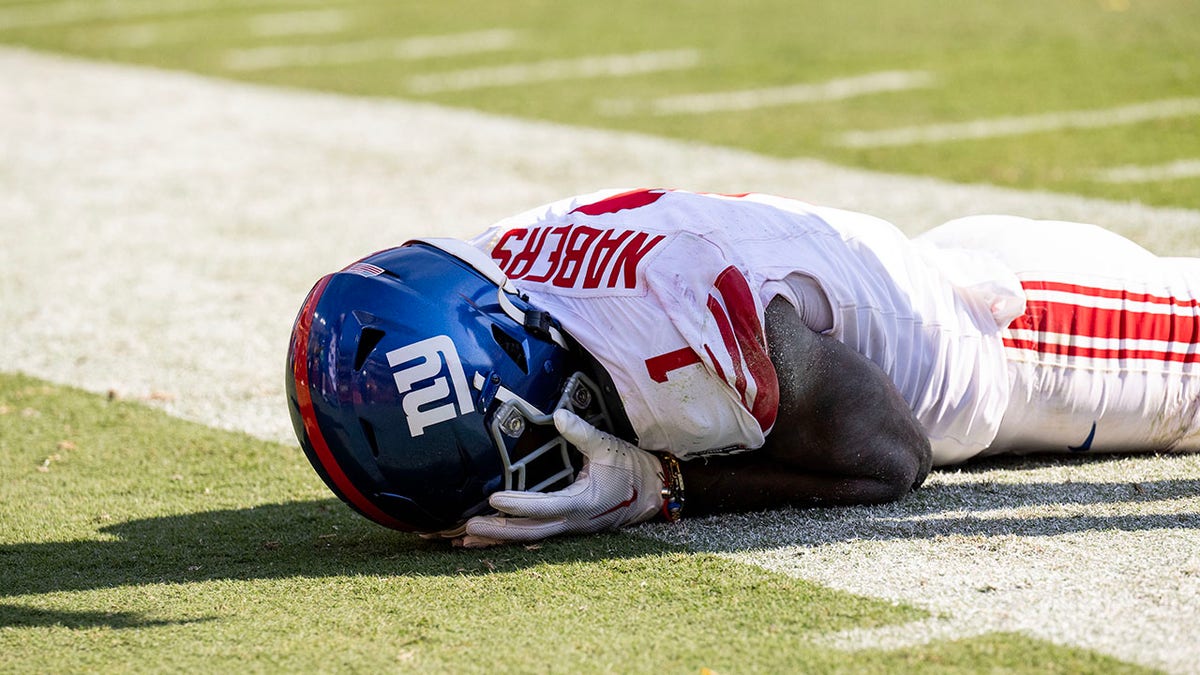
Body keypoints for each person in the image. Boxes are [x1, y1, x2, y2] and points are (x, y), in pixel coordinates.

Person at [286, 188, 1200, 547]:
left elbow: (889, 454)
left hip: (1024, 339)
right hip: (902, 277)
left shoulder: (675, 329)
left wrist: (666, 486)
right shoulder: (490, 273)